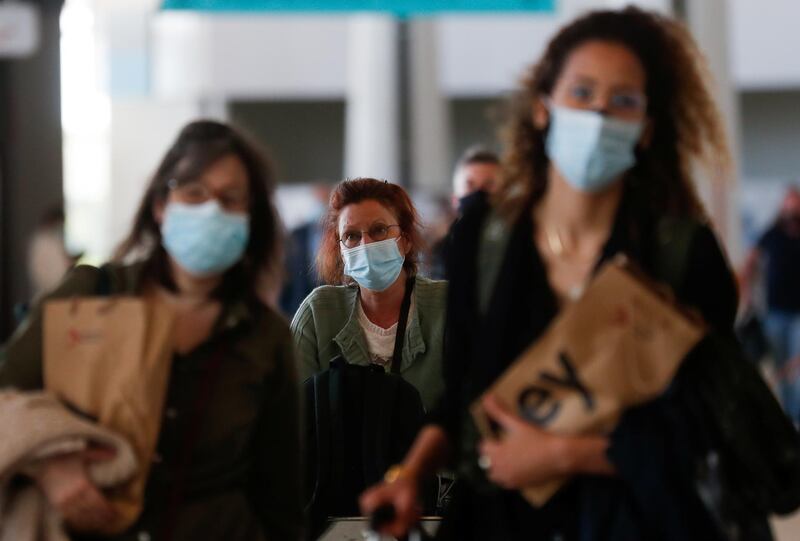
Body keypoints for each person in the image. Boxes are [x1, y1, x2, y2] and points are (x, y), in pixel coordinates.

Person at [360, 7, 787, 540]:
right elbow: (463, 396)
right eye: (581, 93)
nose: (600, 114)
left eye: (623, 101)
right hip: (499, 522)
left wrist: (566, 454)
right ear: (544, 109)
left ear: (647, 128)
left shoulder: (680, 255)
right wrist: (410, 476)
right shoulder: (482, 244)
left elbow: (703, 428)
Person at [0, 120, 303, 540]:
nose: (211, 210)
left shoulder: (265, 335)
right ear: (162, 205)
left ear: (250, 218)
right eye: (194, 192)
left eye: (230, 199)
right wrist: (51, 466)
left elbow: (281, 493)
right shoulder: (91, 294)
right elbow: (5, 392)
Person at [291, 177, 447, 412]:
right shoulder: (318, 313)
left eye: (379, 230)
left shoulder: (445, 305)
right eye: (351, 236)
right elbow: (289, 414)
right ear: (341, 250)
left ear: (404, 241)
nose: (365, 244)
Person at [741, 186, 800, 424]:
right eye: (789, 204)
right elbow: (750, 261)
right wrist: (747, 295)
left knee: (795, 364)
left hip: (799, 313)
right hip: (775, 311)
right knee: (780, 364)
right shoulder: (772, 233)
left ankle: (796, 412)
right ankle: (788, 414)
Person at [427, 147, 501, 280]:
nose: (479, 193)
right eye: (470, 185)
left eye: (489, 185)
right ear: (455, 200)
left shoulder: (521, 246)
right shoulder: (441, 252)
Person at [279, 182, 331, 317]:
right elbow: (286, 272)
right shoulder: (297, 233)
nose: (321, 205)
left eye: (324, 200)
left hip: (328, 307)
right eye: (318, 200)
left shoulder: (339, 234)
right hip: (297, 306)